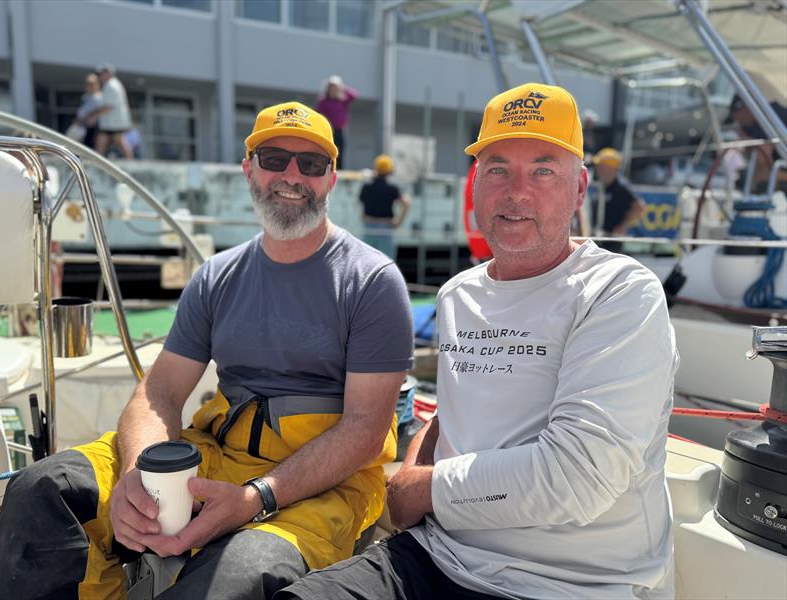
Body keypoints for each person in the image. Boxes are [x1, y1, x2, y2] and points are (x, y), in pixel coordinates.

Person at [0, 101, 414, 599]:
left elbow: (365, 429)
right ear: (248, 170)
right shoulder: (216, 276)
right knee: (43, 490)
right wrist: (139, 474)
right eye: (274, 158)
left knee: (235, 574)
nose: (292, 176)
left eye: (311, 163)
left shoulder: (372, 281)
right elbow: (162, 389)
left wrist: (254, 498)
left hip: (327, 483)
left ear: (331, 179)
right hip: (219, 452)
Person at [277, 83, 678, 600]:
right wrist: (411, 474)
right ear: (475, 187)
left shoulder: (619, 292)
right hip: (438, 554)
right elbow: (454, 408)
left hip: (571, 585)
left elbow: (577, 479)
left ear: (579, 190)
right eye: (497, 170)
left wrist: (419, 489)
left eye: (542, 170)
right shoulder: (459, 293)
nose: (516, 191)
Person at [725, 93, 787, 194]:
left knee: (760, 175)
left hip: (781, 166)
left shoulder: (771, 116)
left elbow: (763, 156)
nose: (738, 121)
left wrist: (746, 140)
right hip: (780, 165)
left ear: (745, 109)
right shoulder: (753, 124)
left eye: (738, 118)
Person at [591, 147, 645, 253]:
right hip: (598, 238)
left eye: (601, 165)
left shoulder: (621, 187)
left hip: (612, 241)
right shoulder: (601, 185)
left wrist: (622, 226)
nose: (597, 168)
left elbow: (639, 206)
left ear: (610, 168)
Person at [359, 154, 411, 259]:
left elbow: (360, 201)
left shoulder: (367, 186)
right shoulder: (392, 188)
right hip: (386, 228)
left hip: (369, 226)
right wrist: (399, 222)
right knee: (387, 264)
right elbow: (406, 202)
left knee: (367, 262)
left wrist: (363, 216)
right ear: (390, 171)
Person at [315, 75, 357, 169]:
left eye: (335, 88)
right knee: (328, 151)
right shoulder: (324, 101)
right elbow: (318, 114)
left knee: (340, 151)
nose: (333, 90)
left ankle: (339, 170)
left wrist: (342, 87)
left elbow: (354, 95)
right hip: (328, 130)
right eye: (332, 88)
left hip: (340, 131)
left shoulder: (342, 100)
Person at [94, 62, 134, 159]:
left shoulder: (112, 86)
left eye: (102, 73)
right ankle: (97, 163)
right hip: (112, 122)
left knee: (118, 142)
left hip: (115, 123)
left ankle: (131, 162)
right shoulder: (111, 85)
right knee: (103, 141)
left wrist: (93, 116)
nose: (100, 76)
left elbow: (108, 106)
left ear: (108, 73)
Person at [75, 73, 104, 149]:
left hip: (95, 128)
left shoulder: (101, 97)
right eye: (88, 83)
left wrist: (90, 118)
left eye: (92, 84)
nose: (89, 86)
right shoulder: (85, 97)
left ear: (97, 84)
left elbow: (100, 112)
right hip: (82, 127)